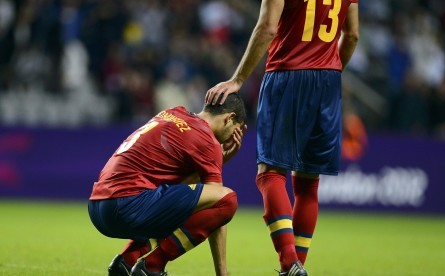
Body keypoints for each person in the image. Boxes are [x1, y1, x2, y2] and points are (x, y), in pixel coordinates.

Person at [206, 0, 359, 275]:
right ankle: (296, 267)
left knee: (270, 172)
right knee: (308, 183)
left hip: (287, 75)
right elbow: (352, 35)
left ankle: (290, 263)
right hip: (328, 81)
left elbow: (267, 27)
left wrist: (238, 79)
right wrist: (330, 72)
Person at [88, 93, 247, 276]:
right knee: (228, 200)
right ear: (230, 118)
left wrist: (219, 162)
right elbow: (218, 201)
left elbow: (177, 191)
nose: (229, 139)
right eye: (235, 131)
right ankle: (152, 266)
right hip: (127, 205)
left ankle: (127, 260)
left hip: (98, 207)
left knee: (183, 204)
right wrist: (222, 273)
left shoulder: (172, 113)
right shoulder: (207, 140)